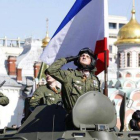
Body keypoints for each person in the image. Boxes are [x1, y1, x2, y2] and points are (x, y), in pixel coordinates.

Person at [46, 48, 100, 113]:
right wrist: (67, 59)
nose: (84, 57)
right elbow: (51, 70)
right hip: (73, 116)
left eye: (87, 56)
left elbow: (98, 99)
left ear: (92, 61)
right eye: (82, 55)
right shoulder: (69, 75)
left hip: (90, 116)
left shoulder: (95, 79)